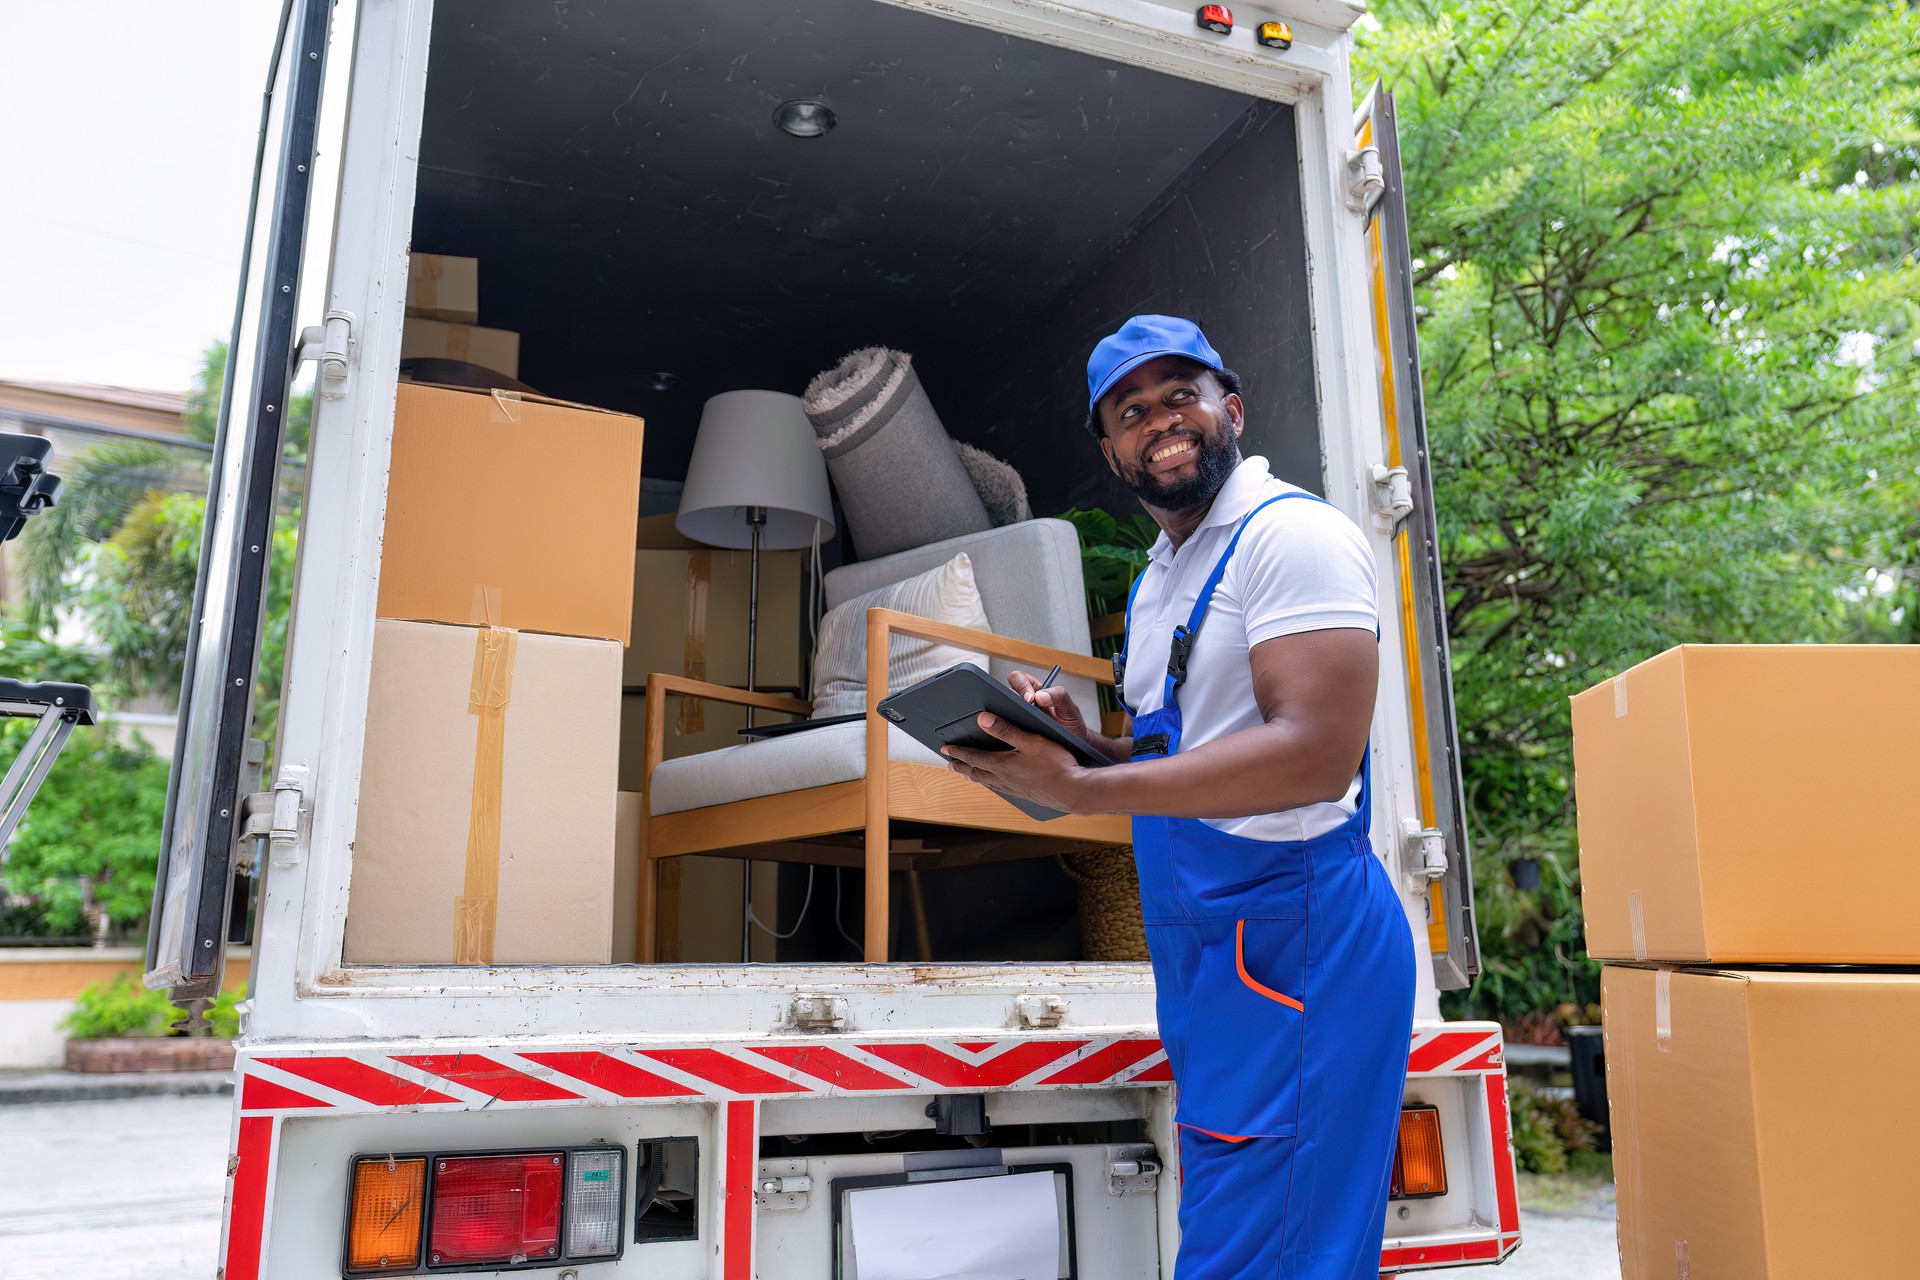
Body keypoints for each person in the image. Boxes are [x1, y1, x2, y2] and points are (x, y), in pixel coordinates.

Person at [940, 315, 1417, 1279]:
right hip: (1210, 949)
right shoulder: (1166, 576)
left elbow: (1314, 756)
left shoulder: (1293, 538)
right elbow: (1189, 746)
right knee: (1244, 1232)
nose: (1160, 420)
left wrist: (1081, 787)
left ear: (1228, 410)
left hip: (1295, 944)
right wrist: (1076, 740)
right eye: (1130, 410)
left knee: (1271, 1253)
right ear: (1111, 450)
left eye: (1179, 395)